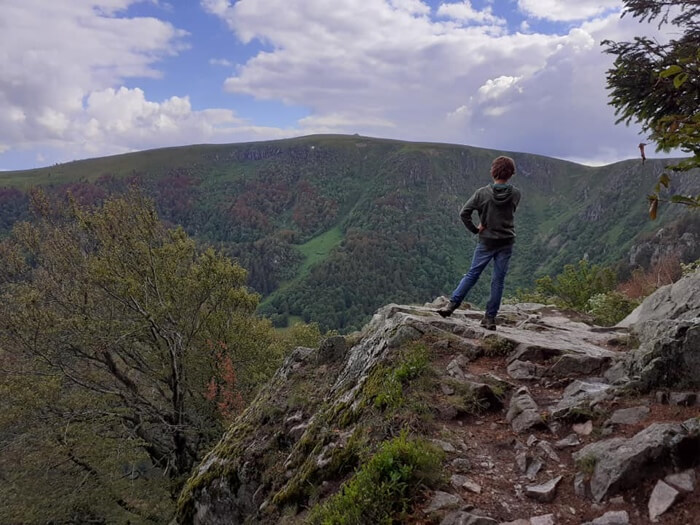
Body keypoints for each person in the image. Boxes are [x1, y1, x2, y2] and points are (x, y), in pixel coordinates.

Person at [438, 156, 521, 330]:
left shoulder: (482, 193)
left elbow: (464, 213)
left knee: (472, 274)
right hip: (506, 241)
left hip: (487, 240)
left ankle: (451, 306)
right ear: (511, 173)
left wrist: (476, 229)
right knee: (498, 281)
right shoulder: (515, 193)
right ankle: (490, 319)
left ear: (493, 171)